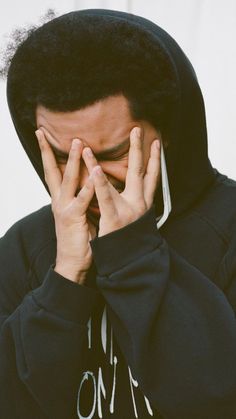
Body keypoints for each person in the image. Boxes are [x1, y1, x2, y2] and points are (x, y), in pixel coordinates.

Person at [0, 8, 236, 419]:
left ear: (169, 132)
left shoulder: (228, 228)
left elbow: (217, 399)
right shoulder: (23, 247)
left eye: (114, 154)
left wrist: (132, 254)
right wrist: (66, 277)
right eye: (63, 156)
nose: (91, 179)